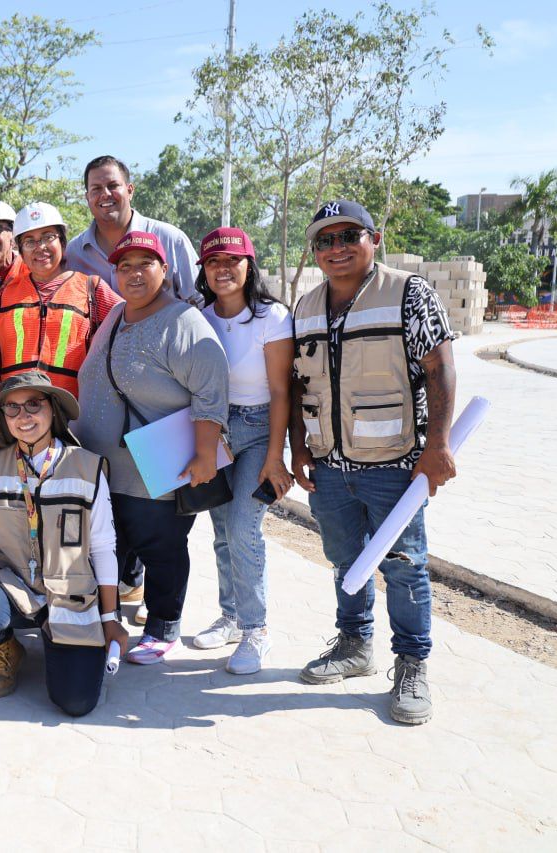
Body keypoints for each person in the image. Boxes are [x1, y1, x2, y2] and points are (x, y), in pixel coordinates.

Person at [290, 200, 457, 726]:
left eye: (349, 236)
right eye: (325, 240)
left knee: (404, 566)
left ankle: (411, 664)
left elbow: (441, 368)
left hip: (394, 465)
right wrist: (299, 446)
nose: (336, 248)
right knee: (346, 561)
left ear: (374, 238)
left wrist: (438, 445)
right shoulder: (306, 306)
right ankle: (355, 644)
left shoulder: (408, 293)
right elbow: (297, 384)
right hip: (329, 465)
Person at [74, 231, 229, 662]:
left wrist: (205, 455)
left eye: (145, 264)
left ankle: (163, 626)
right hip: (105, 467)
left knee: (161, 548)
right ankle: (106, 620)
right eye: (124, 266)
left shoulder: (184, 322)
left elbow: (211, 390)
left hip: (158, 465)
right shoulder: (116, 314)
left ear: (165, 269)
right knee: (109, 546)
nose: (134, 274)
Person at [0, 372, 128, 716]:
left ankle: (66, 646)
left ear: (53, 410)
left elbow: (103, 548)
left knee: (75, 703)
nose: (23, 416)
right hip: (18, 589)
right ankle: (8, 649)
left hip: (72, 597)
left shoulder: (88, 467)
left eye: (34, 405)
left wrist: (109, 617)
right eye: (13, 408)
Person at [195, 227, 294, 674]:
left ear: (248, 265)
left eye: (232, 260)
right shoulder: (200, 316)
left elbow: (282, 392)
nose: (223, 269)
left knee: (242, 528)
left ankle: (257, 629)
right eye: (213, 262)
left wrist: (276, 456)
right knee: (220, 530)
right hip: (214, 429)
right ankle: (231, 616)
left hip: (258, 430)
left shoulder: (272, 317)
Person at [0, 202, 123, 398]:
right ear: (21, 251)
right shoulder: (7, 292)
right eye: (29, 241)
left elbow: (129, 324)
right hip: (16, 407)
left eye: (48, 237)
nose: (40, 247)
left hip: (72, 406)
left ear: (63, 243)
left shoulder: (91, 288)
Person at [66, 155, 201, 305]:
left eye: (113, 185)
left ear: (130, 191)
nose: (105, 194)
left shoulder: (171, 239)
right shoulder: (73, 253)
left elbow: (200, 301)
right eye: (96, 188)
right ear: (87, 197)